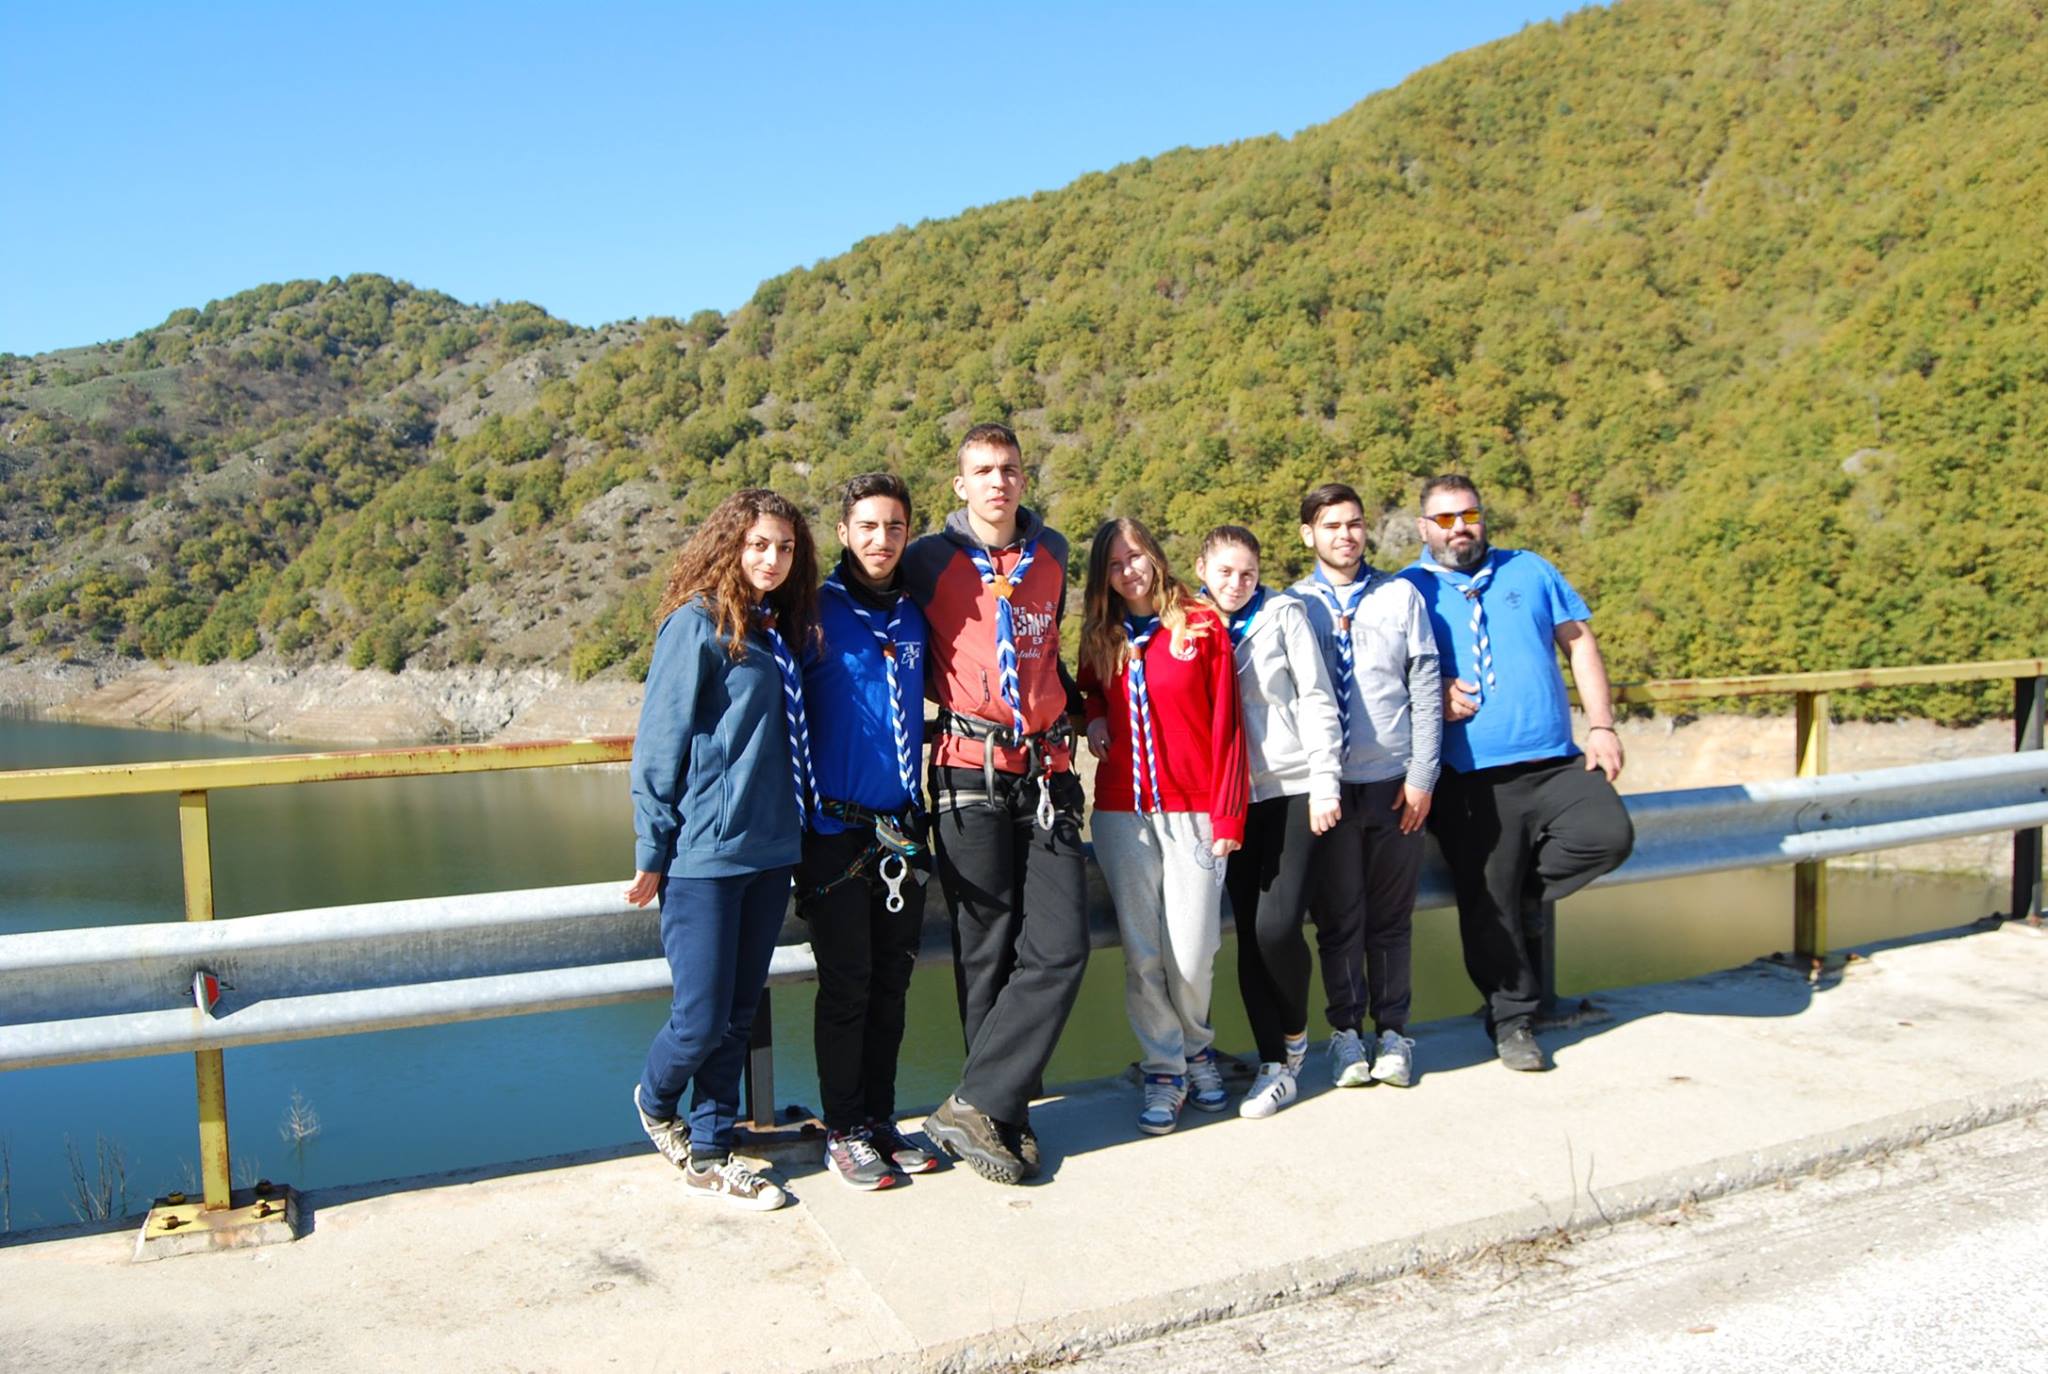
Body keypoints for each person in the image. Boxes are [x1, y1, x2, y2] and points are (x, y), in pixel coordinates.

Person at [899, 422, 1090, 1185]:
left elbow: (1049, 654)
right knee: (987, 954)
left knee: (1061, 945)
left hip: (1046, 772)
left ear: (1023, 478)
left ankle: (976, 1103)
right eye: (982, 471)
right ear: (961, 484)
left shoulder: (1054, 553)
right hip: (965, 770)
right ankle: (1006, 1116)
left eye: (1008, 469)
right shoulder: (927, 559)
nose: (997, 482)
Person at [1398, 474, 1634, 1072]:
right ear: (1424, 527)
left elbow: (1580, 642)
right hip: (1469, 776)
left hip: (1554, 762)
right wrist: (1429, 692)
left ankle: (1520, 889)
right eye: (1445, 519)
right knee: (1488, 907)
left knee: (1608, 835)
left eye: (1469, 514)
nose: (1459, 528)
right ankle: (1512, 1023)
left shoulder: (1530, 570)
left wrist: (1602, 725)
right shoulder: (1407, 590)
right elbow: (1381, 672)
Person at [625, 488, 819, 1212]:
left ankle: (709, 1150)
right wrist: (653, 846)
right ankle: (655, 1099)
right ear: (730, 545)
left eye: (785, 548)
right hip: (705, 854)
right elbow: (660, 740)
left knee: (738, 1014)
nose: (772, 559)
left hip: (770, 852)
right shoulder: (697, 625)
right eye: (758, 544)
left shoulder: (775, 632)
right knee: (701, 1018)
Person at [1079, 517, 1249, 1135]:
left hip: (1194, 812)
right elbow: (1088, 692)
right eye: (1115, 563)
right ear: (1103, 575)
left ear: (1155, 556)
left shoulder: (1201, 626)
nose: (1129, 571)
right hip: (1122, 813)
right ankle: (1165, 1068)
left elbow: (1228, 726)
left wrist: (1228, 814)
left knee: (1193, 951)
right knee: (1143, 954)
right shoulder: (1101, 634)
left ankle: (1198, 1046)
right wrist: (1095, 717)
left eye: (1137, 557)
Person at [797, 472, 939, 1190]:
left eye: (894, 527)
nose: (882, 540)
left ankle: (881, 1120)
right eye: (868, 527)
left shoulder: (915, 614)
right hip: (833, 832)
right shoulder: (813, 611)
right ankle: (843, 1129)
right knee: (847, 985)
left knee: (892, 984)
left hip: (900, 831)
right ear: (844, 533)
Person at [1292, 482, 1442, 1090]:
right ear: (1308, 534)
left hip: (1393, 783)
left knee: (1391, 920)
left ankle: (1394, 1033)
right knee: (1338, 921)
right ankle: (1347, 1034)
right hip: (1327, 789)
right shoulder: (1293, 605)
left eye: (1353, 523)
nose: (1345, 535)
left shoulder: (1400, 595)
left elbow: (1425, 686)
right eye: (1331, 525)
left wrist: (1423, 776)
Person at [1194, 525, 1344, 1120]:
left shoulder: (1283, 615)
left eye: (1247, 574)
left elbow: (1316, 697)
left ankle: (1295, 1035)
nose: (1236, 583)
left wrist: (1326, 781)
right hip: (1226, 800)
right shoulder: (1188, 624)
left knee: (1277, 928)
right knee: (1249, 938)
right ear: (1202, 569)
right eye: (1225, 572)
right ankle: (1274, 1065)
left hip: (1291, 788)